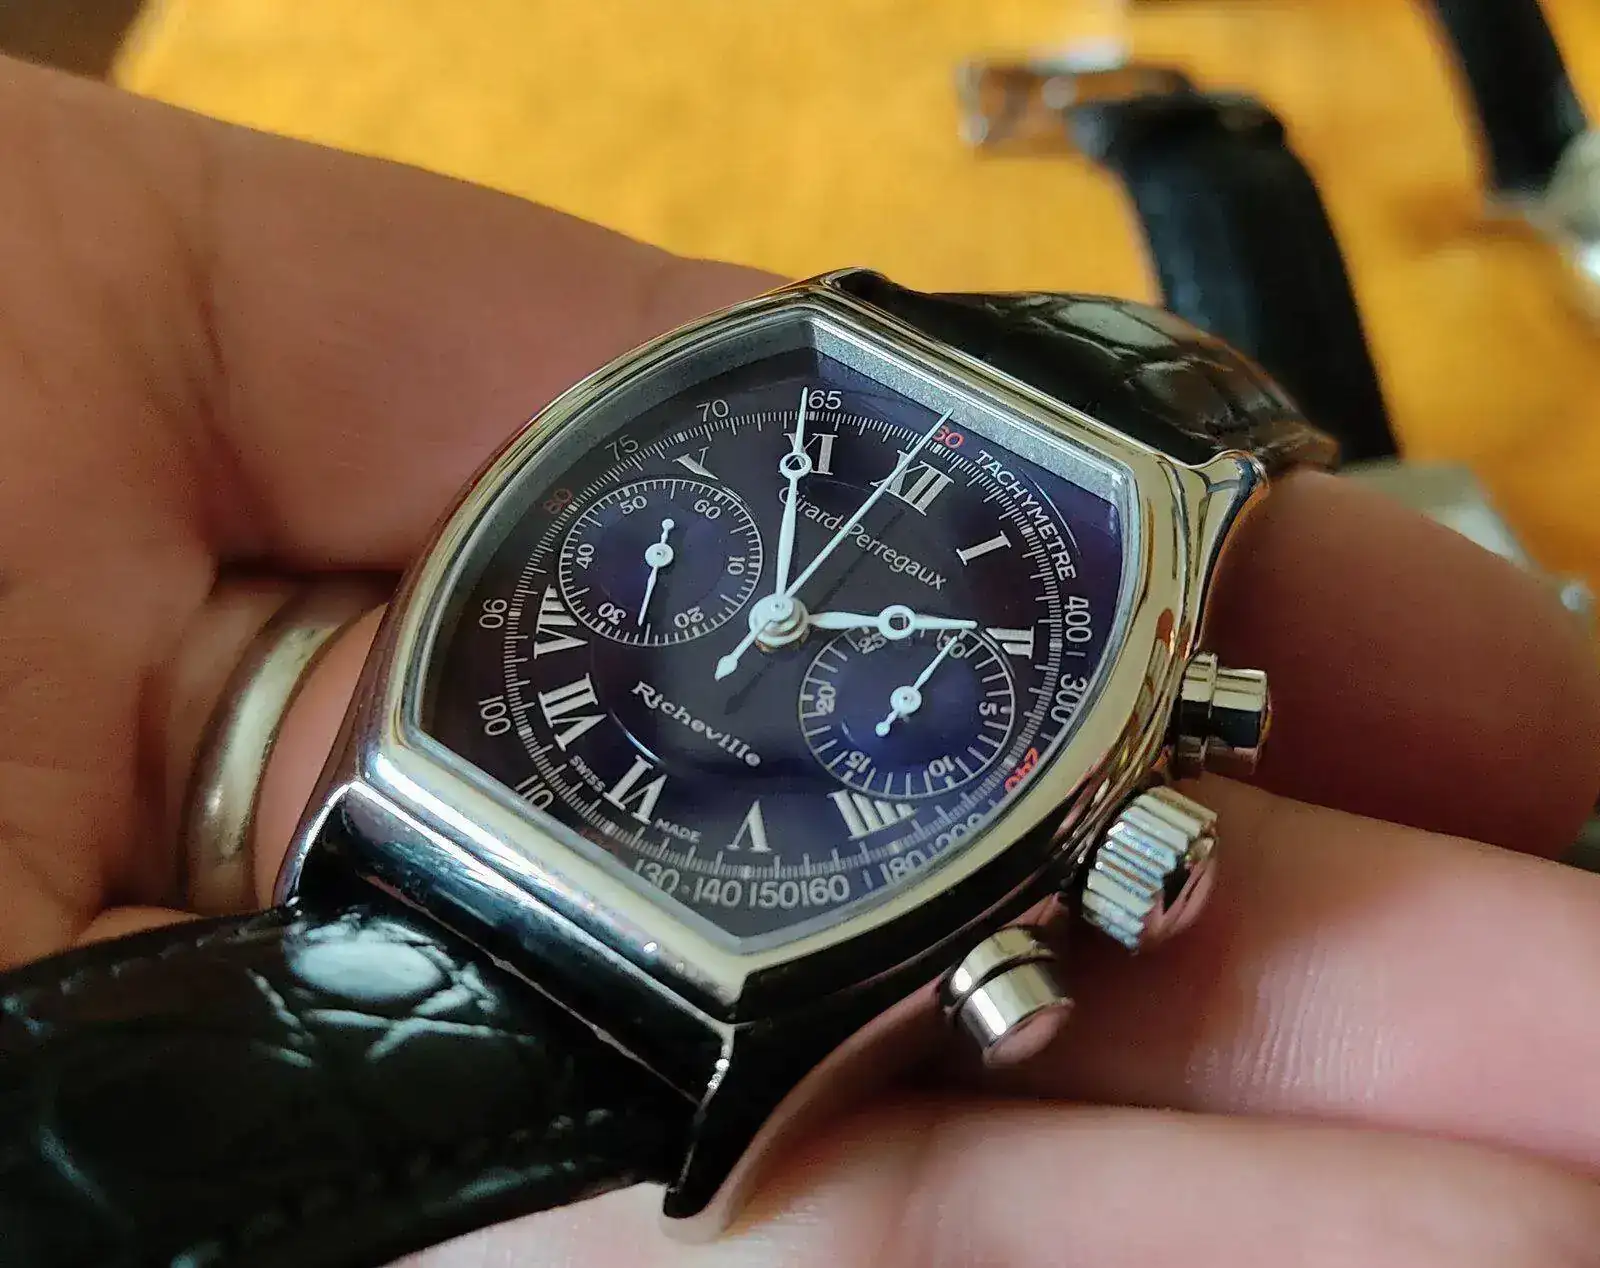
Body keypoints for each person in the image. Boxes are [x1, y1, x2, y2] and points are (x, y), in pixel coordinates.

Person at [2, 51, 1600, 1266]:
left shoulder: (1149, 525)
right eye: (775, 606)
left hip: (706, 981)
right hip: (408, 796)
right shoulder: (788, 379)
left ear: (1121, 831)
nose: (775, 624)